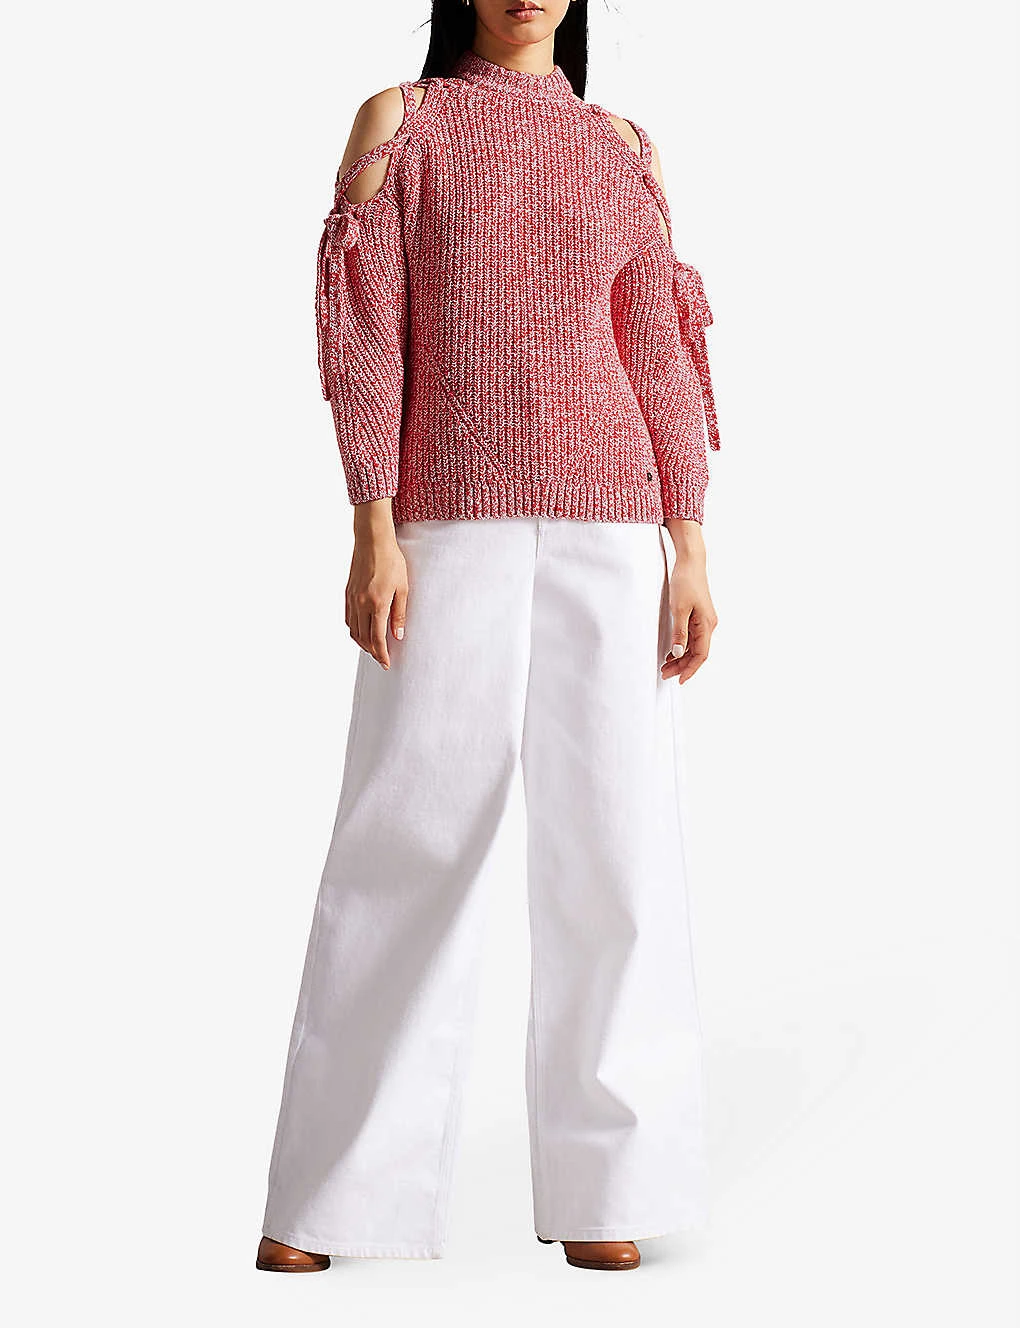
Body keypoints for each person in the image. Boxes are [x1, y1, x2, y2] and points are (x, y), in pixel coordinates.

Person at [257, 0, 721, 1275]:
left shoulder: (623, 146)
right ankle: (329, 1196)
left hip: (616, 531)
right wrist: (373, 526)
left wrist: (689, 542)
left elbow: (661, 349)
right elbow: (366, 336)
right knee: (405, 835)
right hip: (446, 525)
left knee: (618, 848)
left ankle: (612, 1180)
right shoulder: (403, 124)